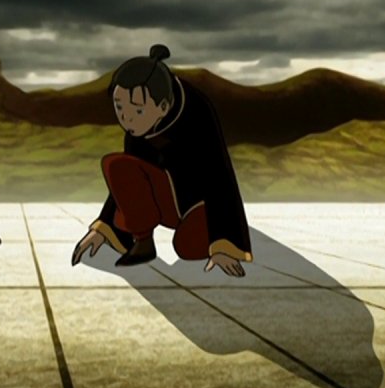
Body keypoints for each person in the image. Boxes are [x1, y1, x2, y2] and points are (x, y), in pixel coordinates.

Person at [71, 45, 252, 276]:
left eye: (137, 111)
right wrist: (103, 228)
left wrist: (223, 246)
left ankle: (207, 237)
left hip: (199, 203)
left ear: (163, 107)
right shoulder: (138, 127)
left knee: (188, 247)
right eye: (119, 107)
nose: (126, 119)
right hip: (164, 198)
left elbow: (220, 179)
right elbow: (126, 183)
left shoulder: (199, 112)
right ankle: (143, 242)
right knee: (117, 165)